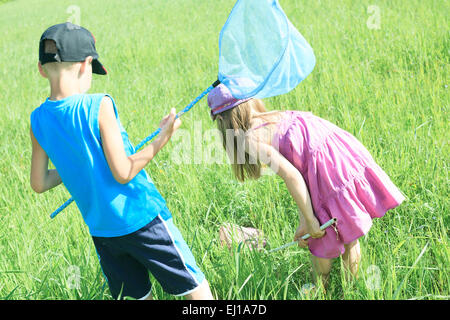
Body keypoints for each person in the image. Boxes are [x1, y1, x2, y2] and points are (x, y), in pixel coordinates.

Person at [29, 22, 213, 300]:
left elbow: (40, 183)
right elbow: (124, 172)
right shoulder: (98, 105)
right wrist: (163, 137)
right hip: (141, 218)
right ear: (85, 64)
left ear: (42, 69)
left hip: (103, 232)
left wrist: (78, 165)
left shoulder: (37, 119)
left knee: (136, 296)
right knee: (194, 287)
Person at [208, 83, 405, 288]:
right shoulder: (275, 116)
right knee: (349, 234)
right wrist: (304, 219)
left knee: (318, 237)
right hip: (340, 158)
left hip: (327, 172)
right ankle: (351, 289)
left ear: (222, 119)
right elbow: (302, 170)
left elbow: (292, 175)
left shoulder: (251, 139)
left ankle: (321, 287)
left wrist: (310, 220)